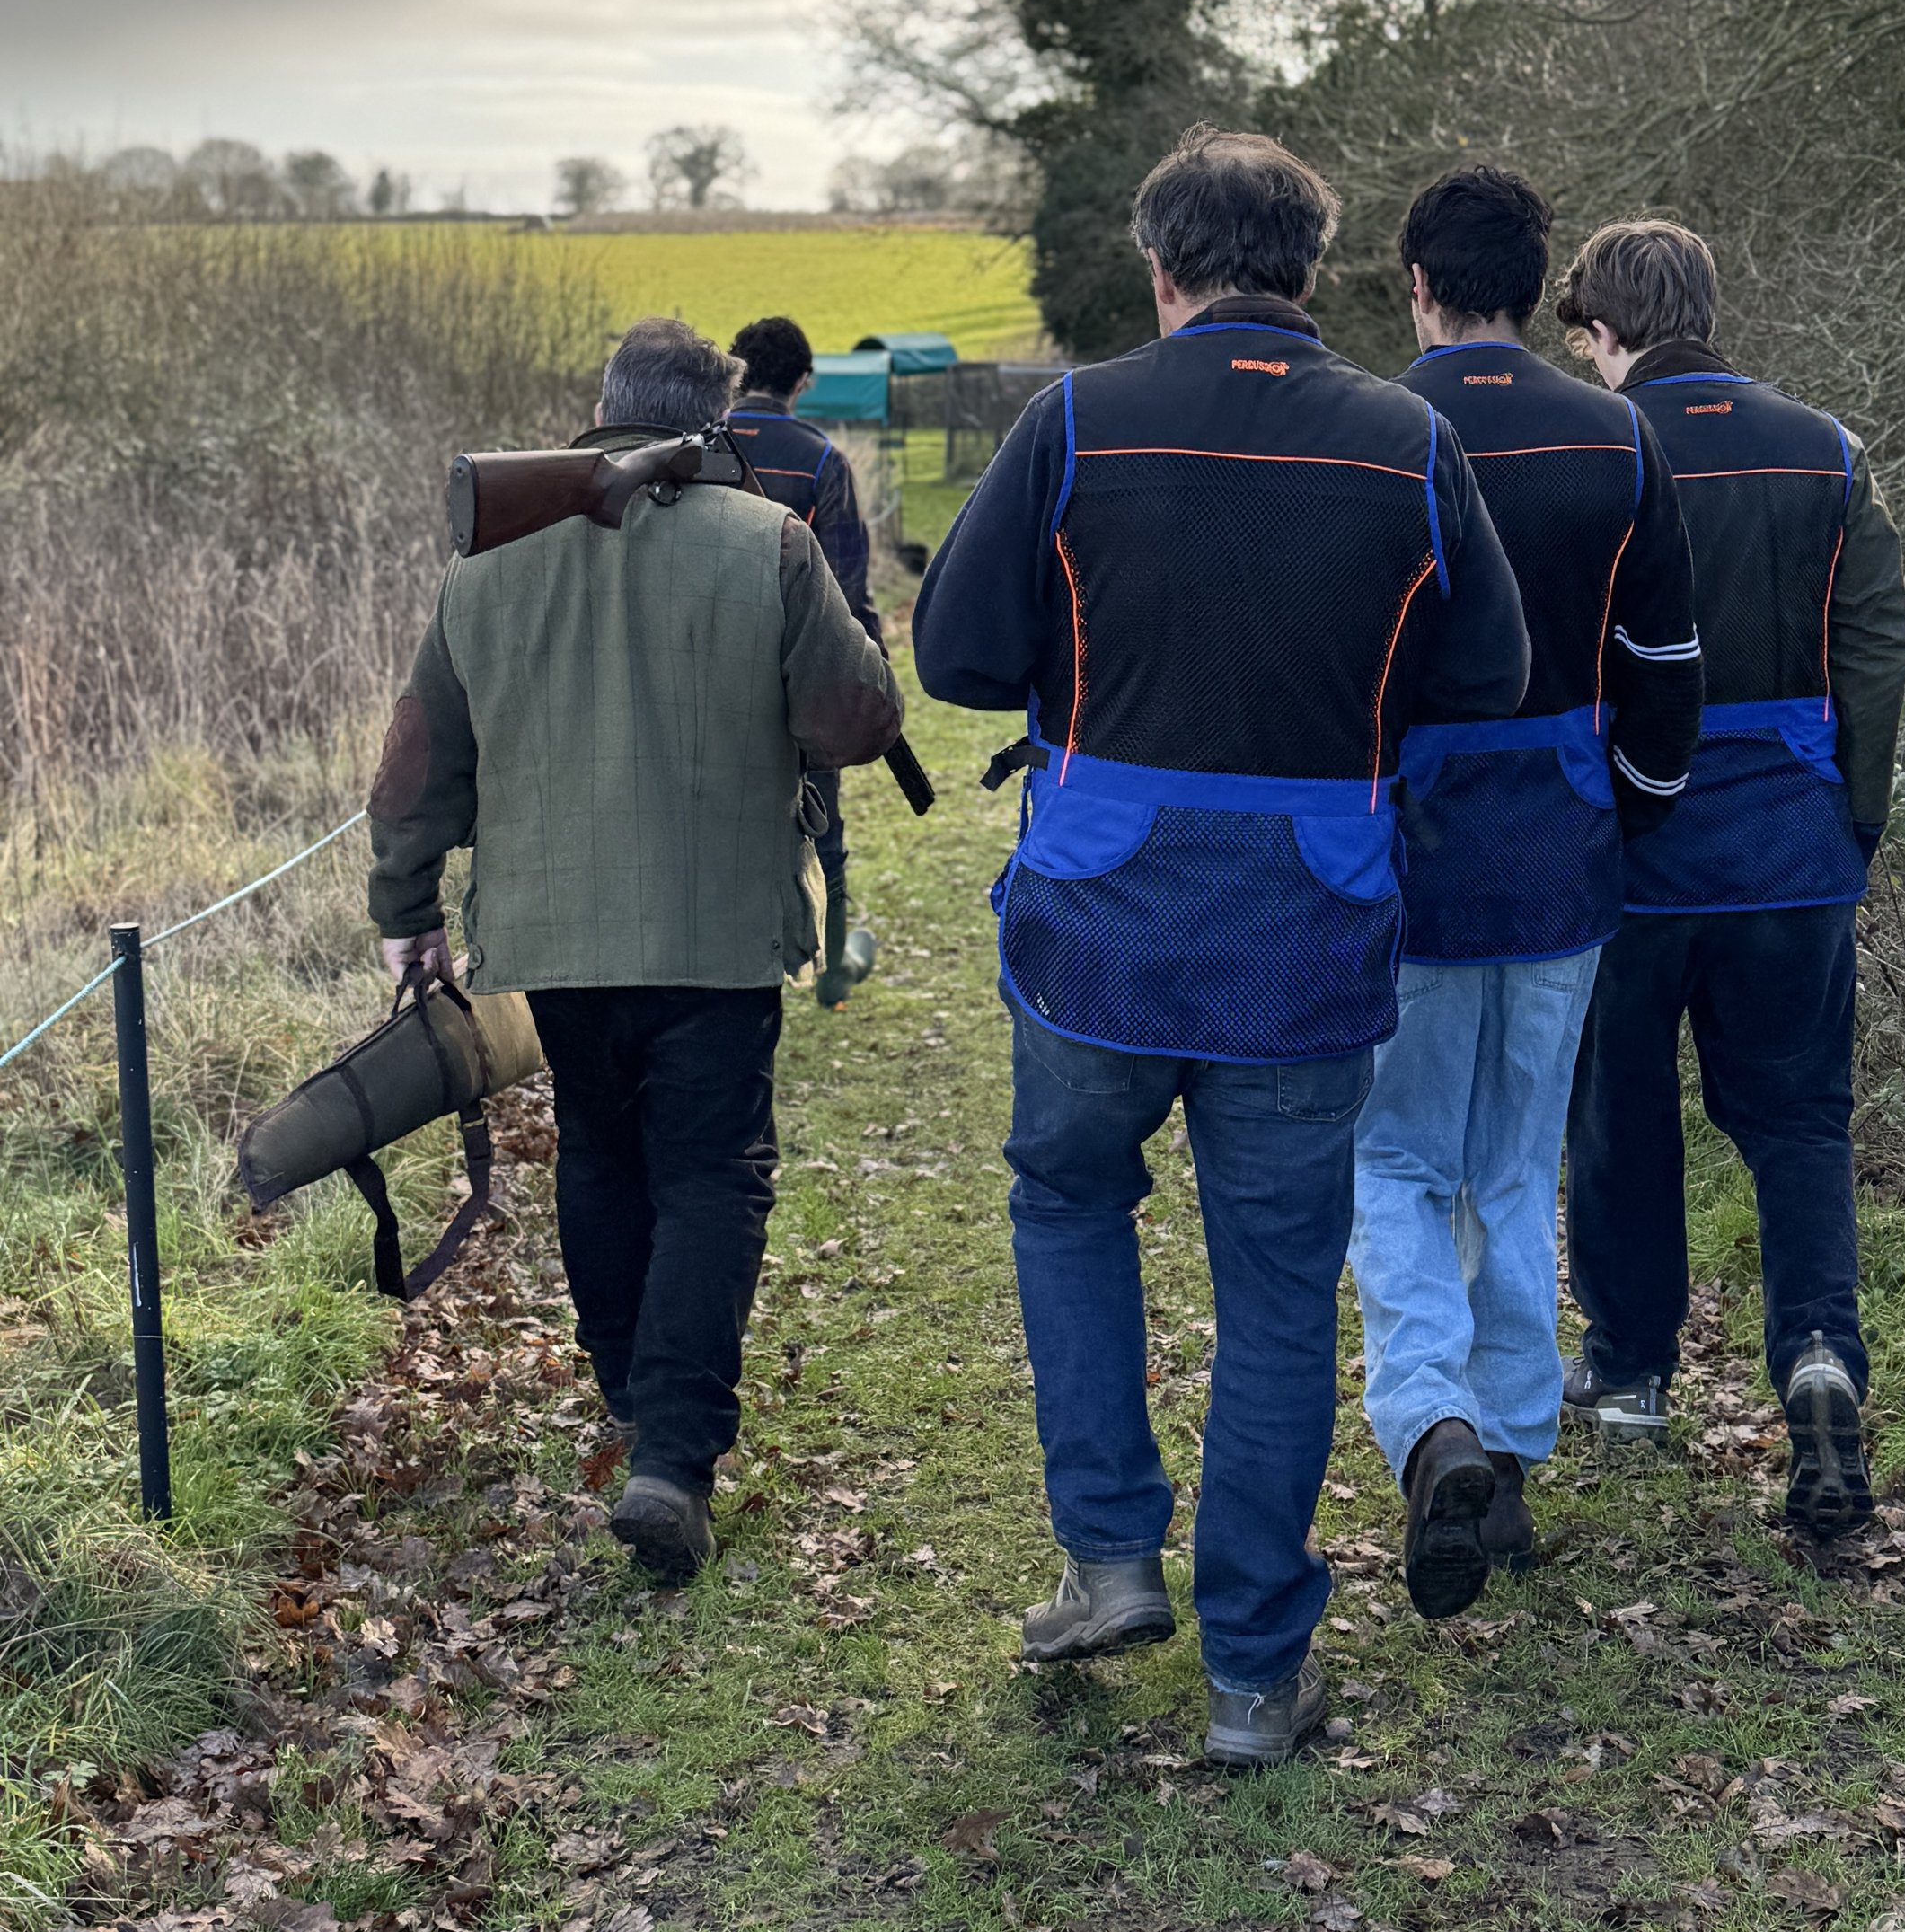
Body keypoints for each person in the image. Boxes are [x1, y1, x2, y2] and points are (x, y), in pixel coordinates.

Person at [913, 128, 1529, 1765]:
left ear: (1161, 269)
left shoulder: (1073, 420)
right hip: (1309, 923)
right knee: (1272, 1293)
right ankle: (1258, 1673)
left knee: (1067, 1199)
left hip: (1098, 920)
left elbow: (959, 652)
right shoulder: (1411, 439)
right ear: (1311, 272)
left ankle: (1109, 1554)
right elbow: (1490, 668)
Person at [366, 316, 903, 1582]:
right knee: (712, 1172)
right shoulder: (764, 543)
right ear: (707, 425)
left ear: (599, 409)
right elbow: (856, 717)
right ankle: (670, 1453)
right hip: (715, 931)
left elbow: (416, 761)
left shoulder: (487, 561)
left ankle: (629, 1389)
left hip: (552, 934)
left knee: (604, 1153)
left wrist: (408, 910)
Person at [1351, 167, 1702, 1619]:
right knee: (1511, 1165)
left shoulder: (1374, 441)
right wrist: (1622, 814)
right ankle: (1507, 1445)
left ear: (1418, 287)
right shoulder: (1615, 435)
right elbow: (1666, 674)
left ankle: (1429, 1422)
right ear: (1535, 275)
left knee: (1393, 1159)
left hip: (1413, 857)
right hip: (1564, 851)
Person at [1555, 223, 1905, 1534]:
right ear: (1709, 307)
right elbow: (1876, 649)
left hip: (1632, 852)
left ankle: (1634, 1370)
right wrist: (1851, 822)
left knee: (1621, 1106)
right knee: (1802, 1121)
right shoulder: (1827, 448)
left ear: (1604, 328)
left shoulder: (1598, 450)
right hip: (1793, 850)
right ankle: (1818, 1354)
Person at [724, 313, 884, 1008]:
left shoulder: (693, 449)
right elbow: (848, 590)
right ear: (804, 381)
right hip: (804, 678)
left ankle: (733, 965)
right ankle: (833, 973)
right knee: (824, 824)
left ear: (736, 372)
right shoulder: (822, 460)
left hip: (712, 676)